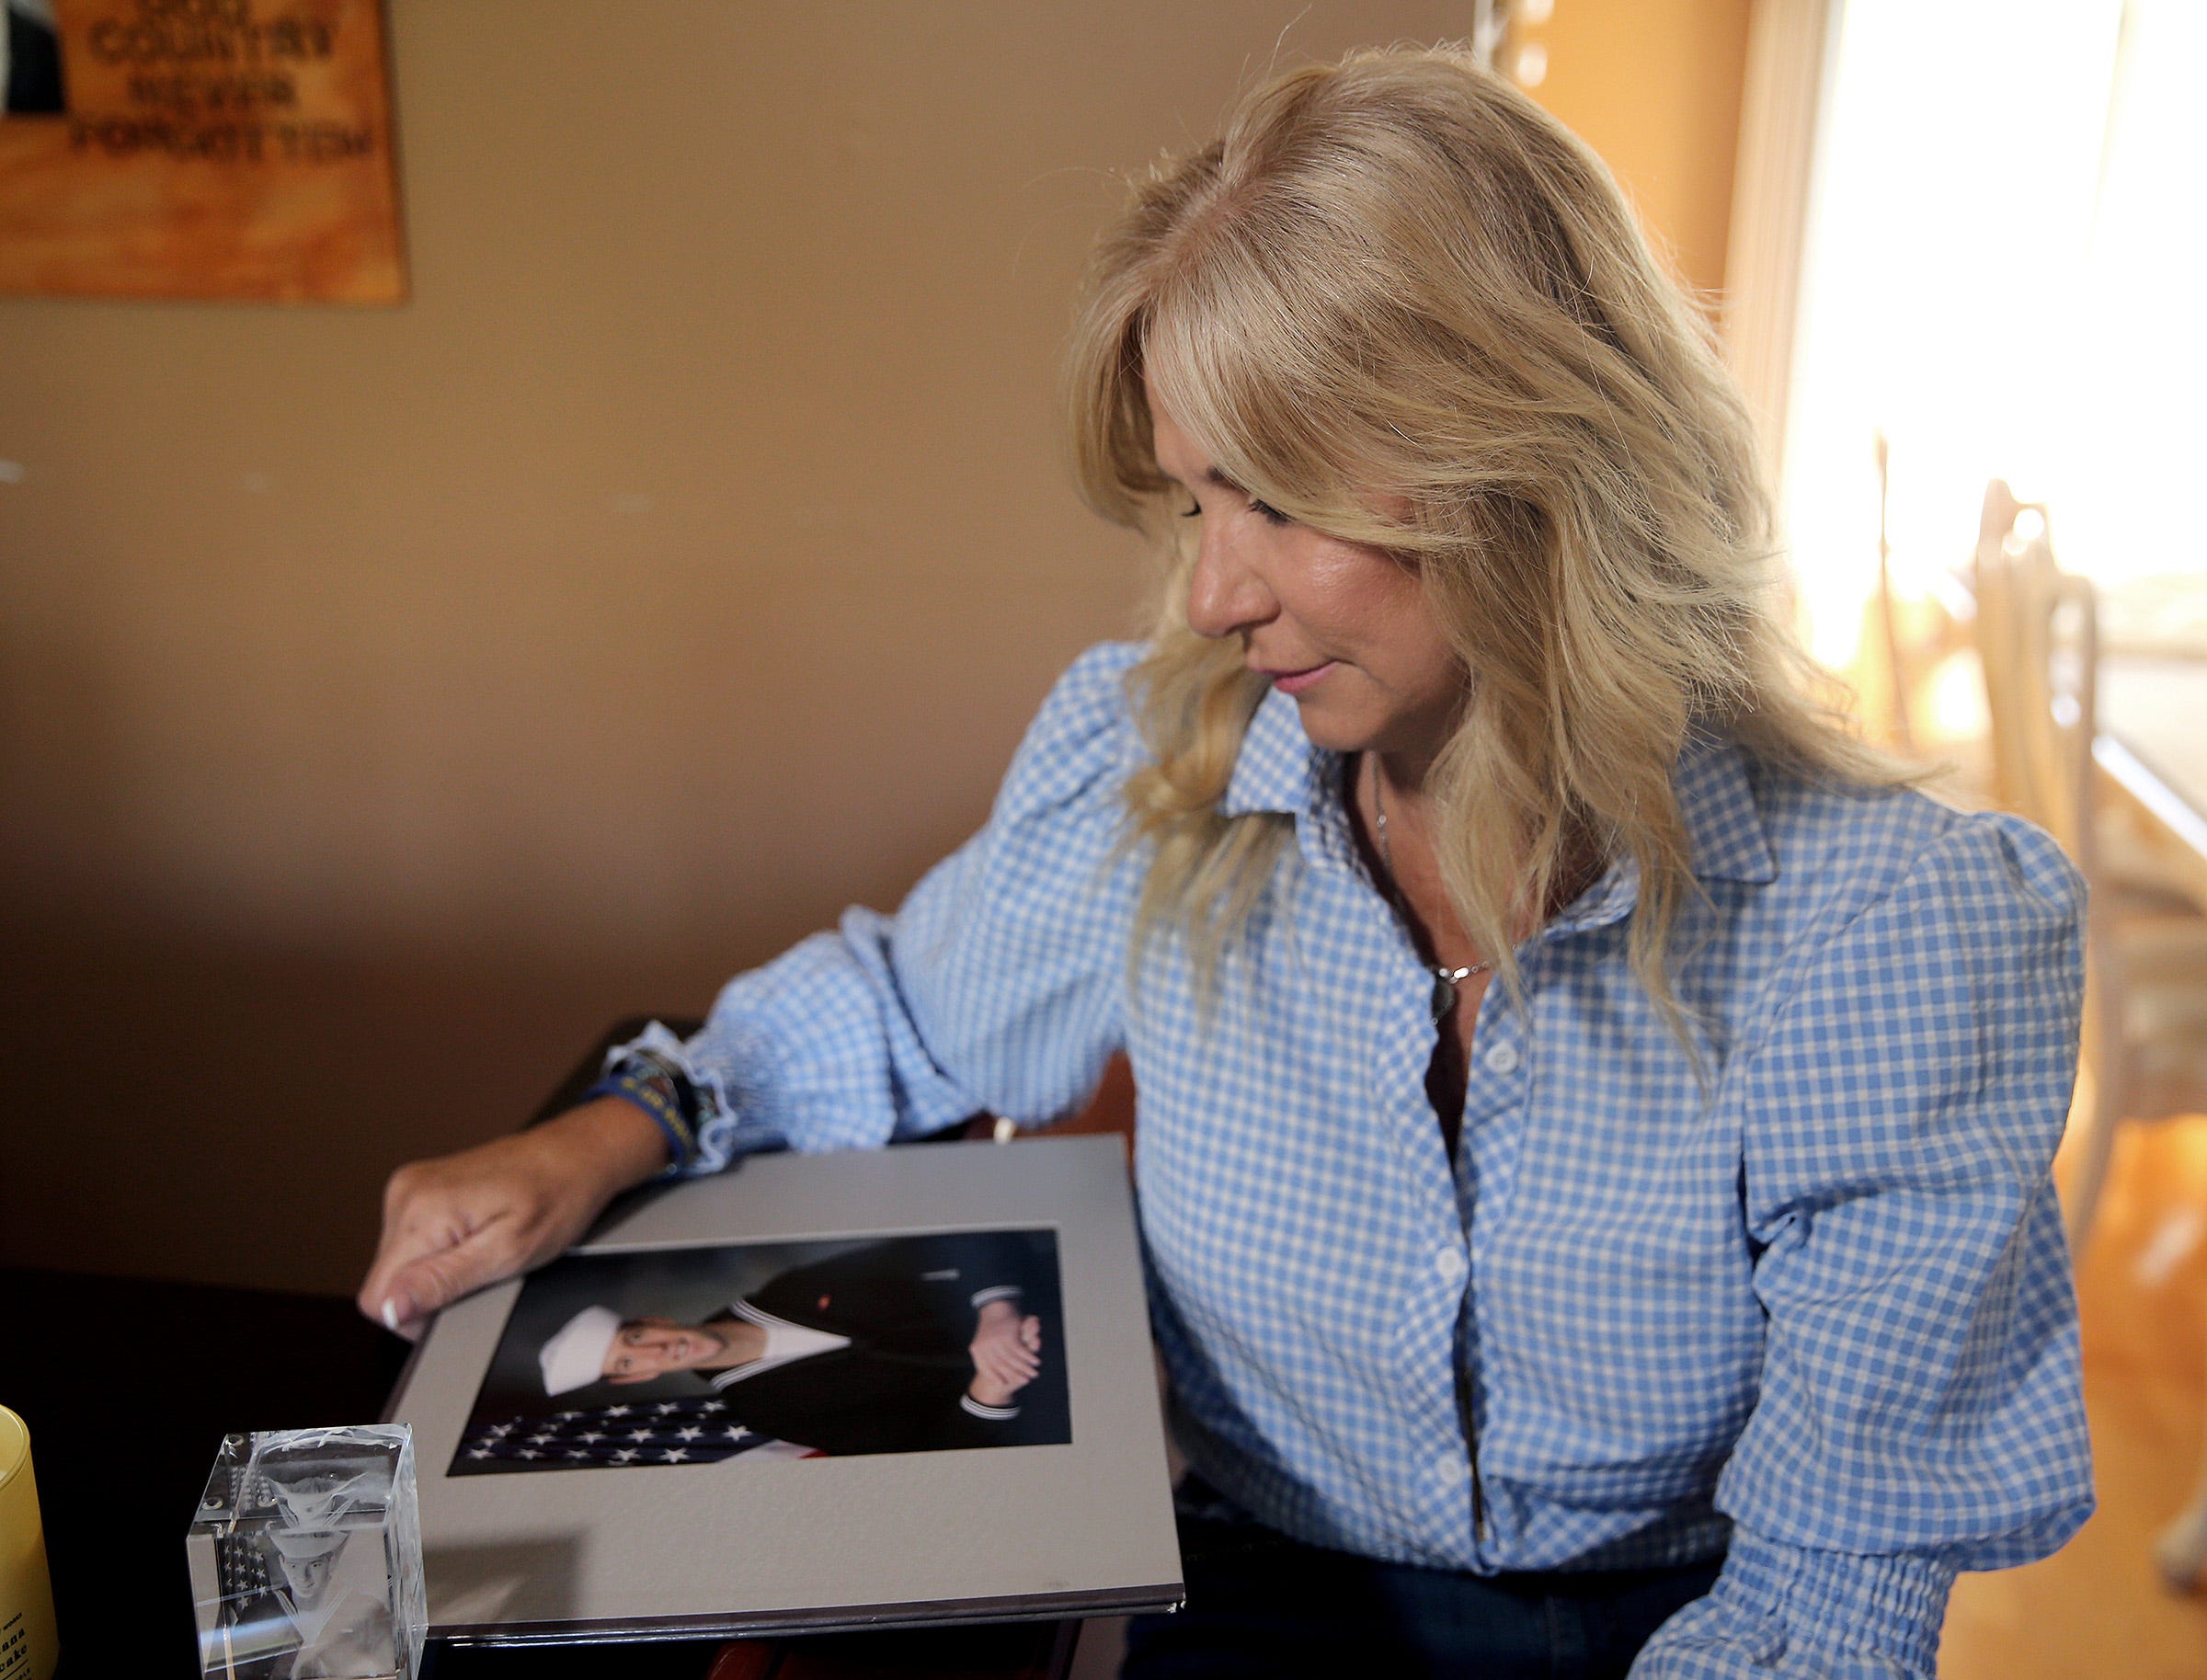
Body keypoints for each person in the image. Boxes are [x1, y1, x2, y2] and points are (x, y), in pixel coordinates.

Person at [358, 45, 2091, 1680]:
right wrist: (616, 1124)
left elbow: (1829, 1594)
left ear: (1534, 458)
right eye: (1194, 501)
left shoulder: (1888, 928)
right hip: (1261, 1587)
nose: (1213, 593)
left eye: (1276, 496)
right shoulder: (1160, 759)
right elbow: (901, 1013)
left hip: (1685, 1617)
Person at [530, 1233, 1056, 1453]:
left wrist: (997, 1308)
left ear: (655, 1318)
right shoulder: (767, 1411)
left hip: (1063, 1292)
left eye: (638, 1335)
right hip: (1054, 1407)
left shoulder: (790, 1289)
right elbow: (932, 1449)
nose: (656, 1351)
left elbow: (958, 1237)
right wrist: (990, 1387)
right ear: (636, 1379)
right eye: (630, 1360)